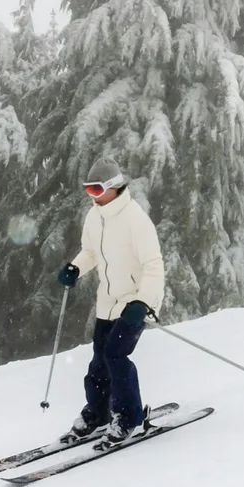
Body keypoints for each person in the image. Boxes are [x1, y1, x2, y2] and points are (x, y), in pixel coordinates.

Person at [57, 157, 165, 445]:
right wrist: (75, 268)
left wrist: (143, 302)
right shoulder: (95, 217)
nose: (91, 196)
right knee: (99, 359)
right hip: (108, 300)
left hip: (136, 303)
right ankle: (98, 413)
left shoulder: (135, 219)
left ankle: (128, 417)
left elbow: (153, 265)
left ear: (113, 186)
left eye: (96, 189)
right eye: (88, 189)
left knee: (115, 355)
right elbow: (91, 252)